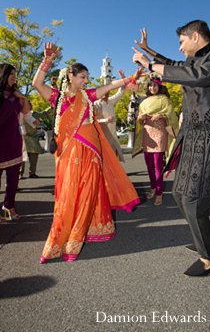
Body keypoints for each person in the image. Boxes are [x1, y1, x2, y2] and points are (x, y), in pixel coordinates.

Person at [132, 21, 210, 276]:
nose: (179, 48)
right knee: (180, 193)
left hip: (209, 137)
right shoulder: (195, 61)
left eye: (181, 42)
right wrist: (150, 52)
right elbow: (179, 67)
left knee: (191, 198)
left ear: (195, 36)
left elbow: (197, 76)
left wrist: (150, 65)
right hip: (191, 135)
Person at [32, 43, 140, 262]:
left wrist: (127, 80)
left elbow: (108, 88)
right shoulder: (56, 97)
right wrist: (47, 61)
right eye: (81, 77)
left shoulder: (87, 96)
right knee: (69, 193)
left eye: (86, 77)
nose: (85, 81)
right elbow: (36, 83)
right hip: (68, 153)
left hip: (91, 151)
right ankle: (61, 237)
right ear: (70, 76)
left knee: (89, 191)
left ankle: (76, 238)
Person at [132, 74, 178, 206]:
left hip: (160, 132)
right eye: (150, 85)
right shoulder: (144, 101)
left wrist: (162, 115)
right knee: (149, 164)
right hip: (148, 133)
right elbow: (139, 118)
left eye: (155, 85)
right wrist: (140, 117)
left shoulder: (165, 100)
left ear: (159, 86)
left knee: (158, 164)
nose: (152, 88)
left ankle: (159, 193)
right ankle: (153, 188)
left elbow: (171, 116)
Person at [0, 63, 30, 221]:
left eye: (15, 74)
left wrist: (22, 97)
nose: (14, 76)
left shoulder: (15, 94)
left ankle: (9, 205)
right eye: (11, 73)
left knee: (13, 178)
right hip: (0, 140)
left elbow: (26, 111)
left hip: (14, 140)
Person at [94, 76, 126, 162]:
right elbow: (93, 120)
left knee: (114, 158)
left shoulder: (110, 101)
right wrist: (105, 120)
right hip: (103, 135)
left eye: (107, 91)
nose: (105, 93)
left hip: (113, 135)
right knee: (104, 159)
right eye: (103, 91)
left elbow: (121, 93)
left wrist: (123, 79)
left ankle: (113, 174)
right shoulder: (96, 104)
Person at [20, 102, 44, 178]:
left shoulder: (33, 114)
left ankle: (32, 172)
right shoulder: (19, 114)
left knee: (34, 157)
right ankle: (19, 173)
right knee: (21, 157)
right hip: (23, 138)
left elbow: (39, 118)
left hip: (33, 139)